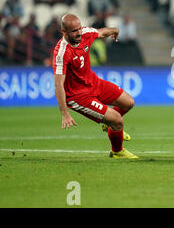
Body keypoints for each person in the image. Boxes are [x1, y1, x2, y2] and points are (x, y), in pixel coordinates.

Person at [52, 13, 137, 159]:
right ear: (64, 32)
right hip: (78, 96)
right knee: (117, 120)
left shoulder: (85, 33)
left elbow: (101, 32)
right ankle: (117, 151)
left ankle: (109, 124)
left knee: (129, 103)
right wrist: (64, 113)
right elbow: (59, 84)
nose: (79, 33)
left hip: (93, 83)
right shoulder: (61, 52)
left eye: (79, 28)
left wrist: (114, 31)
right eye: (74, 31)